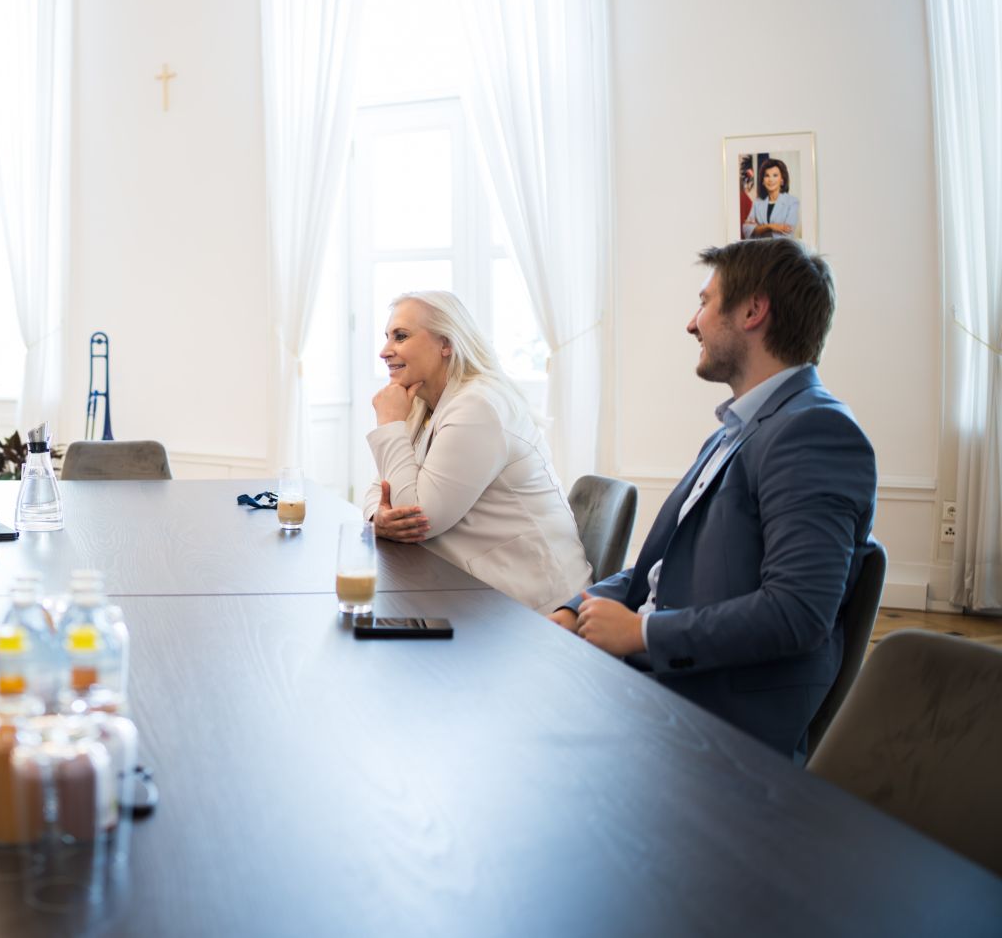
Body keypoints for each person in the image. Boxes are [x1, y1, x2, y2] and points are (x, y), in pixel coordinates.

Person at [549, 240, 878, 757]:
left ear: (752, 311)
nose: (691, 323)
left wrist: (642, 633)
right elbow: (659, 572)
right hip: (657, 683)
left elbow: (797, 612)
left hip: (712, 721)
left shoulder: (814, 430)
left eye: (704, 302)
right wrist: (576, 610)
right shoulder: (736, 430)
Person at [363, 291, 592, 611]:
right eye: (387, 337)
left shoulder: (478, 406)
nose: (385, 351)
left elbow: (416, 518)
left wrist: (389, 424)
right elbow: (380, 489)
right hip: (473, 594)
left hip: (533, 608)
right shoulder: (419, 404)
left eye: (400, 336)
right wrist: (378, 518)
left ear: (446, 343)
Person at [742, 156, 800, 239]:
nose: (770, 180)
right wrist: (771, 226)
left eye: (775, 175)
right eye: (767, 175)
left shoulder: (792, 202)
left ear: (782, 180)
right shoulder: (757, 203)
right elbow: (747, 229)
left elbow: (787, 232)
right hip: (760, 246)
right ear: (763, 181)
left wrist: (759, 228)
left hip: (782, 246)